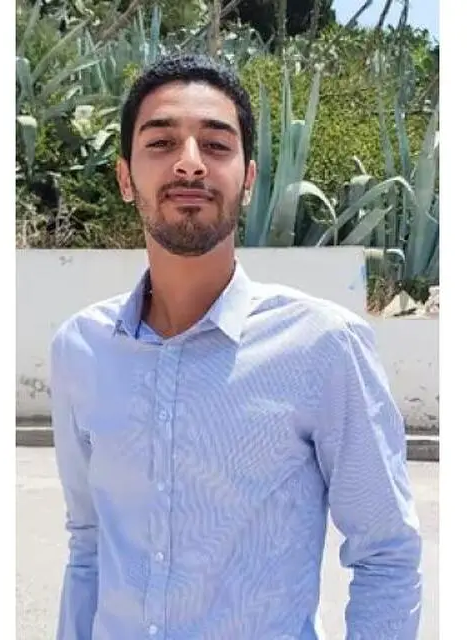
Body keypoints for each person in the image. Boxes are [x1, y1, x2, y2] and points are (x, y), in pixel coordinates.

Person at [51, 53, 422, 640]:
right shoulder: (81, 348)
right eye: (161, 142)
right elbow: (90, 545)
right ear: (125, 178)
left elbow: (386, 554)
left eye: (216, 145)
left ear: (248, 180)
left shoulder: (322, 346)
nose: (190, 163)